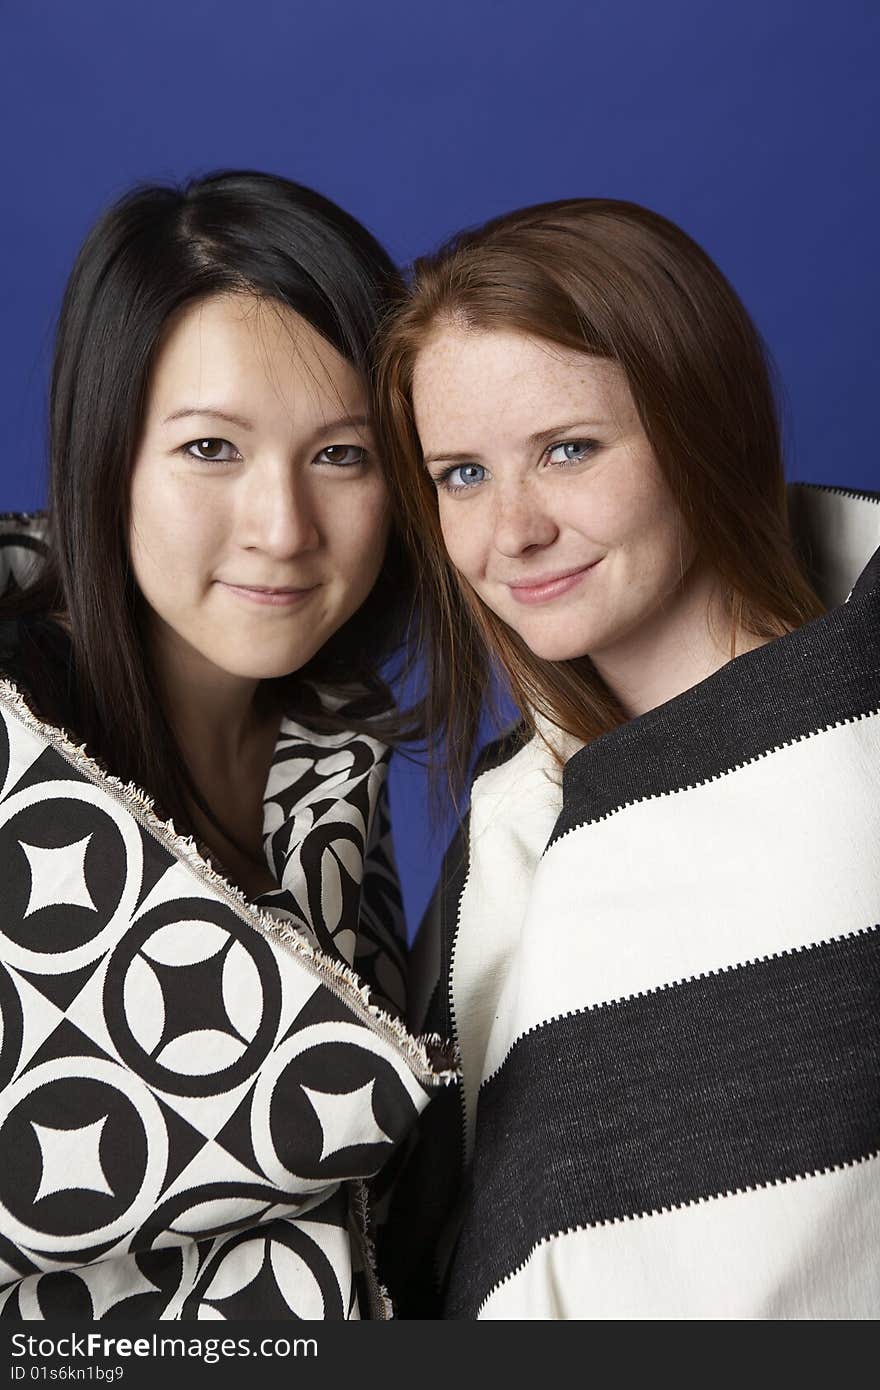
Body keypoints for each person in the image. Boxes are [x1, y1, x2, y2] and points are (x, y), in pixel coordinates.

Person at [376, 199, 880, 1319]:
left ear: (706, 426)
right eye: (461, 473)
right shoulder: (516, 826)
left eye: (568, 449)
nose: (512, 530)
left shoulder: (852, 773)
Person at [0, 171, 453, 1321]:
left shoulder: (331, 753)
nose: (284, 528)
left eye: (342, 455)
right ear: (108, 454)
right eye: (211, 448)